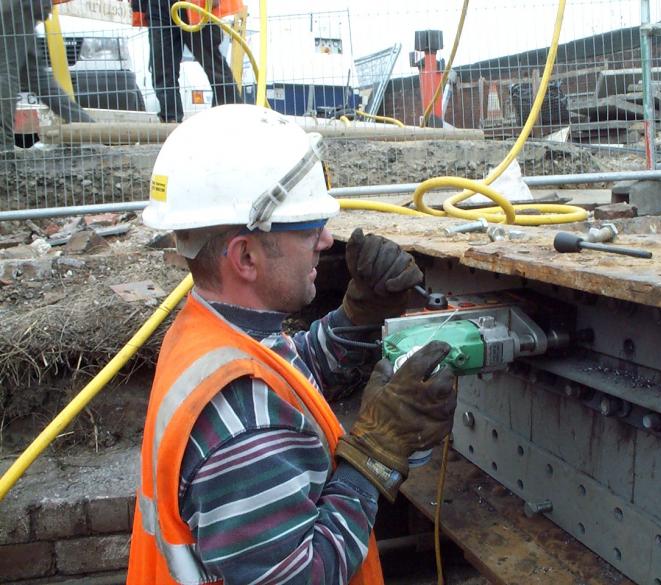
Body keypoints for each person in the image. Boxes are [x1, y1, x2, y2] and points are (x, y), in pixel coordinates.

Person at [127, 104, 458, 584]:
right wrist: (375, 455)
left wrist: (358, 316)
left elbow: (290, 374)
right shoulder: (244, 423)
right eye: (308, 229)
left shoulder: (212, 331)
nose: (326, 240)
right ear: (246, 255)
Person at [0, 0, 93, 153]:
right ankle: (90, 129)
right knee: (33, 77)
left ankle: (4, 143)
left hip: (17, 8)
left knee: (22, 74)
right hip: (20, 8)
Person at [130, 0, 242, 123]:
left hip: (195, 3)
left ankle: (231, 117)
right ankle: (170, 120)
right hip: (158, 6)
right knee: (162, 67)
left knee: (213, 65)